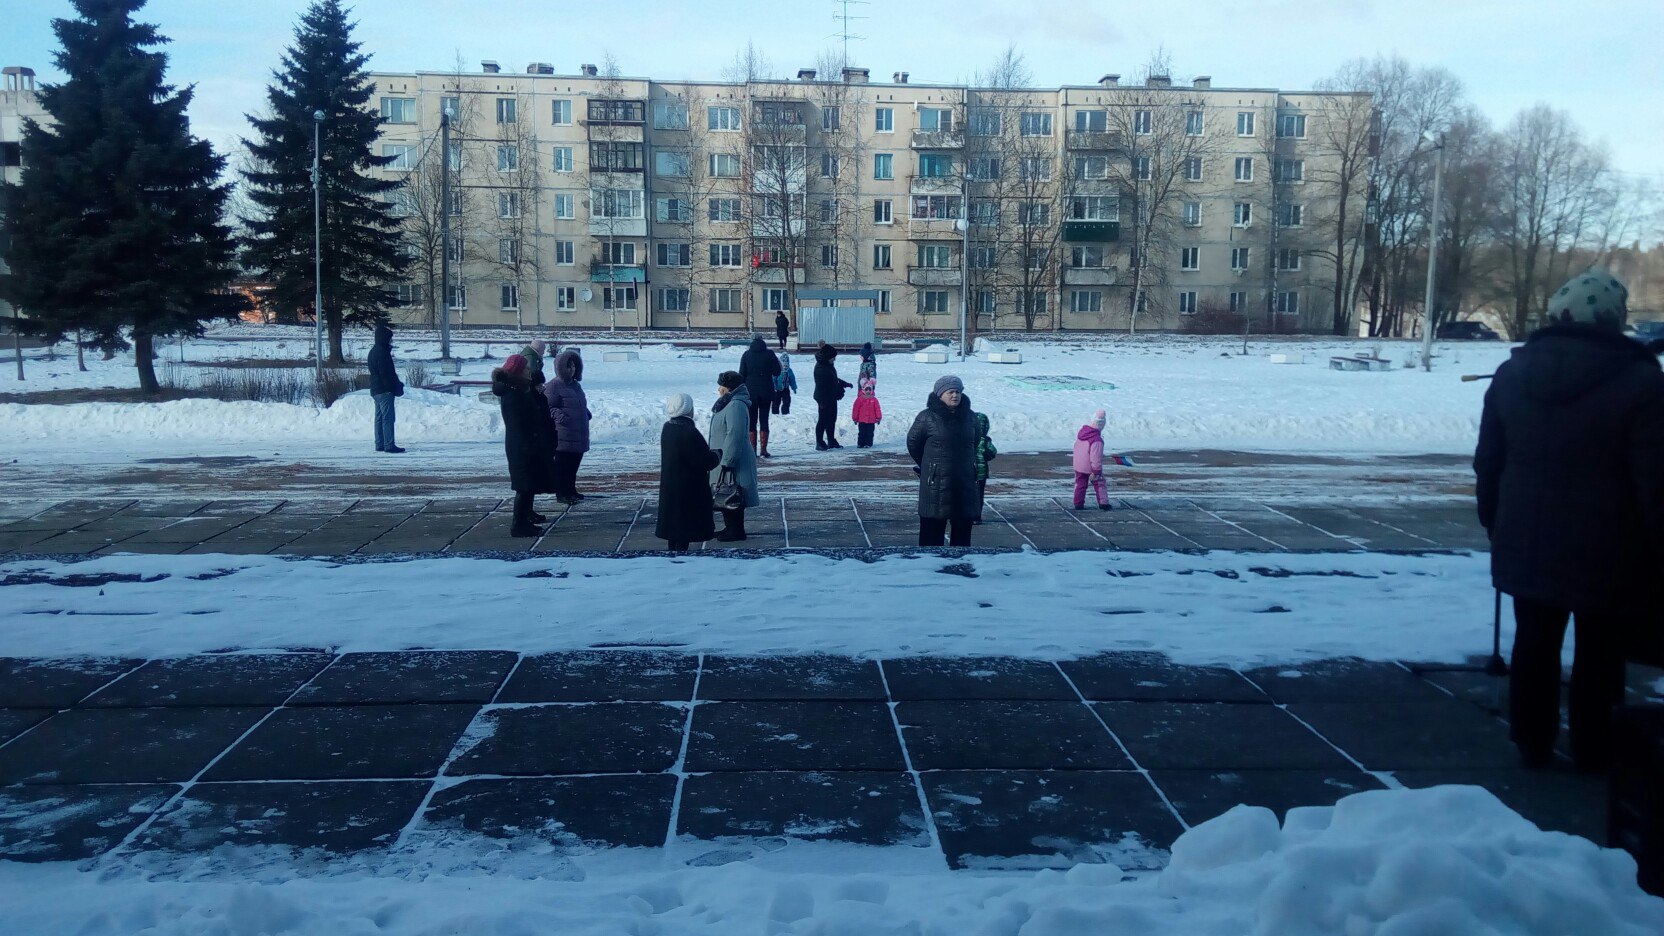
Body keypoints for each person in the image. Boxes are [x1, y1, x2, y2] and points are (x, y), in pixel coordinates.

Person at [1475, 268, 1664, 771]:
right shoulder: (1642, 381)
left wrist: (1494, 519)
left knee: (1533, 643)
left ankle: (1531, 741)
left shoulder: (1512, 373)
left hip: (1526, 536)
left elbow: (1489, 460)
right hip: (1611, 545)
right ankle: (1593, 746)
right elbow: (1655, 479)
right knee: (1601, 650)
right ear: (1614, 319)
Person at [907, 375, 980, 547]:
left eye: (958, 392)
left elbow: (975, 441)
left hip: (963, 482)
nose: (955, 395)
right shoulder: (927, 417)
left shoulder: (970, 417)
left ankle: (961, 562)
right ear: (940, 394)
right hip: (936, 483)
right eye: (950, 392)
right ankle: (930, 563)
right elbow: (913, 443)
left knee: (962, 536)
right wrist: (929, 466)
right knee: (932, 536)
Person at [492, 354, 559, 537]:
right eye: (526, 368)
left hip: (525, 444)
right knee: (524, 486)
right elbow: (519, 424)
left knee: (529, 483)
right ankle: (518, 524)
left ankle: (526, 515)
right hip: (522, 446)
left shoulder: (518, 389)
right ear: (518, 371)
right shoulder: (513, 394)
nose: (529, 371)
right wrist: (531, 444)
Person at [656, 393, 722, 552]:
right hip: (688, 488)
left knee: (673, 529)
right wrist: (717, 454)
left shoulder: (668, 428)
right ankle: (680, 560)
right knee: (684, 529)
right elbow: (705, 461)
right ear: (687, 410)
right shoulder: (689, 432)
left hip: (672, 486)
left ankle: (673, 556)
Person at [709, 371, 760, 542]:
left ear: (729, 388)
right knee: (725, 492)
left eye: (721, 386)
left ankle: (736, 530)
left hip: (733, 459)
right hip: (726, 457)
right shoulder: (729, 402)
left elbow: (735, 434)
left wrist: (728, 461)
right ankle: (730, 527)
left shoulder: (735, 405)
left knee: (733, 493)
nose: (719, 389)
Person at [543, 349, 591, 505]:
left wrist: (585, 413)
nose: (572, 369)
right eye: (569, 366)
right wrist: (561, 417)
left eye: (574, 366)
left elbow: (578, 403)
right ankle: (562, 493)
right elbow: (548, 407)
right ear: (561, 367)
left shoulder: (575, 385)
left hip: (578, 432)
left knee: (574, 464)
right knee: (563, 466)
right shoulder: (553, 386)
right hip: (563, 433)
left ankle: (571, 490)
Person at [738, 336, 780, 457]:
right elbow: (777, 372)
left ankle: (752, 450)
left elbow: (741, 374)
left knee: (751, 421)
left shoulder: (746, 355)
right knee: (764, 419)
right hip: (766, 391)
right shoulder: (770, 354)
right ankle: (764, 450)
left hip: (750, 392)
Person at [367, 322, 405, 453]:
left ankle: (380, 443)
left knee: (379, 418)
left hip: (375, 389)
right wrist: (394, 387)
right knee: (388, 418)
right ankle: (389, 444)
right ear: (384, 338)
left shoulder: (373, 351)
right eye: (389, 338)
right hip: (385, 390)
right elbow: (386, 373)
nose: (391, 341)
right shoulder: (383, 353)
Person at [812, 343, 851, 450]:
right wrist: (823, 402)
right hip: (823, 399)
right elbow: (823, 386)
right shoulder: (820, 368)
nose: (834, 359)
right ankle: (819, 442)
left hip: (831, 397)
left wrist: (844, 384)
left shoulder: (828, 365)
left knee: (831, 420)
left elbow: (833, 378)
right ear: (827, 357)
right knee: (823, 421)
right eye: (833, 357)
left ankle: (831, 440)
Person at [1072, 410, 1112, 511]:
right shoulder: (1096, 440)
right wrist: (1096, 471)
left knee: (1080, 484)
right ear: (1102, 424)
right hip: (1090, 467)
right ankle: (1104, 503)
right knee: (1100, 483)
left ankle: (1078, 504)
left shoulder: (1082, 433)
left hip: (1078, 465)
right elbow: (1095, 458)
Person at [973, 411, 997, 523]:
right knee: (978, 495)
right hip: (981, 473)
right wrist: (986, 456)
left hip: (966, 472)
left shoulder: (965, 438)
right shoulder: (985, 441)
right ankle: (976, 516)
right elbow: (993, 452)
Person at [852, 370, 882, 448]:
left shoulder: (874, 400)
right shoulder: (860, 399)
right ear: (863, 390)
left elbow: (877, 409)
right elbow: (856, 409)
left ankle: (868, 444)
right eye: (866, 389)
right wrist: (855, 418)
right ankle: (860, 443)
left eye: (869, 389)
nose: (868, 391)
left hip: (871, 420)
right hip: (862, 420)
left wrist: (878, 418)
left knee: (870, 433)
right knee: (861, 432)